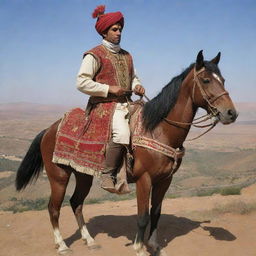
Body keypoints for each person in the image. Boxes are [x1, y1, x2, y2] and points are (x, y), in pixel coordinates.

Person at [76, 5, 145, 193]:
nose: (119, 32)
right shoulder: (94, 54)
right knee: (122, 134)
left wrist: (137, 86)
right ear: (104, 32)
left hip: (127, 103)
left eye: (120, 29)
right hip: (105, 105)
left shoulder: (127, 55)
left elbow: (133, 78)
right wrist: (108, 89)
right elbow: (81, 82)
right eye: (114, 29)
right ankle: (108, 174)